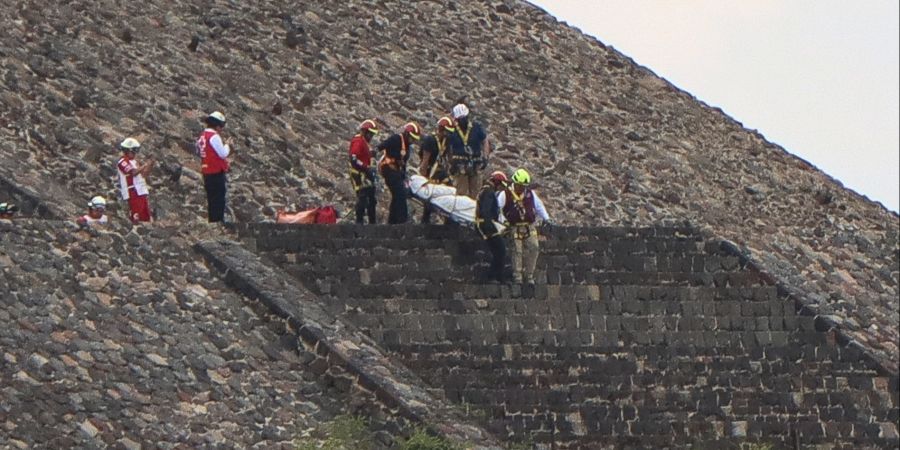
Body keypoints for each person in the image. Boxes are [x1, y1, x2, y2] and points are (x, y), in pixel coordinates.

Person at [498, 168, 552, 285]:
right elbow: (497, 209)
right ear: (515, 183)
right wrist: (503, 222)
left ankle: (529, 275)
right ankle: (517, 276)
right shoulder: (505, 194)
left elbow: (539, 206)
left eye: (524, 186)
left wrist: (546, 218)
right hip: (514, 226)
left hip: (529, 226)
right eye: (520, 185)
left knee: (534, 247)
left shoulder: (530, 194)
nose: (522, 188)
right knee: (517, 251)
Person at [377, 122, 421, 224]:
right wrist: (374, 151)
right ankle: (402, 220)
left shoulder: (407, 147)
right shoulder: (396, 139)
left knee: (397, 195)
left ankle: (392, 222)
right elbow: (383, 145)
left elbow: (403, 163)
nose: (412, 141)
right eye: (412, 138)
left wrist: (404, 176)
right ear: (406, 134)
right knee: (400, 193)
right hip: (388, 169)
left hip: (397, 172)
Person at [417, 116, 457, 224]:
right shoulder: (430, 140)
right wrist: (423, 178)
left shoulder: (447, 140)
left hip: (440, 171)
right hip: (430, 171)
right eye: (446, 132)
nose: (448, 134)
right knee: (430, 195)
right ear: (441, 129)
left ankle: (449, 220)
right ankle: (425, 220)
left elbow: (449, 156)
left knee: (450, 191)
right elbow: (425, 161)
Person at [196, 111, 232, 223]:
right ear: (217, 126)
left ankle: (212, 221)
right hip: (216, 171)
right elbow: (222, 153)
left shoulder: (202, 136)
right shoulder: (214, 136)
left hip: (206, 171)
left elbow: (198, 151)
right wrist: (228, 145)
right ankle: (218, 221)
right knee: (219, 199)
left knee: (211, 199)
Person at [449, 103, 490, 198]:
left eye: (465, 118)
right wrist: (451, 163)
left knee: (475, 193)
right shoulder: (453, 130)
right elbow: (448, 147)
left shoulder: (476, 127)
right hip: (460, 165)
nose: (463, 121)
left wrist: (485, 157)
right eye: (461, 119)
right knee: (460, 193)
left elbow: (485, 141)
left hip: (475, 163)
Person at [475, 171, 509, 283]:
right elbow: (486, 211)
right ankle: (494, 276)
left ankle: (496, 276)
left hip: (485, 223)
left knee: (497, 251)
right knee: (501, 250)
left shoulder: (485, 190)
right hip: (487, 225)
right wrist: (492, 226)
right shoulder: (489, 192)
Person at [116, 137, 154, 223]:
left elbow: (144, 174)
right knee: (135, 215)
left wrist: (150, 165)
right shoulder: (122, 161)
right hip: (132, 191)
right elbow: (133, 173)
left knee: (144, 216)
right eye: (134, 151)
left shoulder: (135, 161)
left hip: (141, 190)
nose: (135, 154)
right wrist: (144, 165)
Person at [348, 119, 380, 224]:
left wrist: (371, 154)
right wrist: (366, 168)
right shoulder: (358, 141)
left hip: (365, 174)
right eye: (370, 134)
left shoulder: (363, 142)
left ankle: (372, 223)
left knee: (371, 199)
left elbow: (362, 155)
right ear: (365, 132)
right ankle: (359, 222)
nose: (371, 137)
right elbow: (354, 158)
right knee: (363, 198)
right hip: (359, 174)